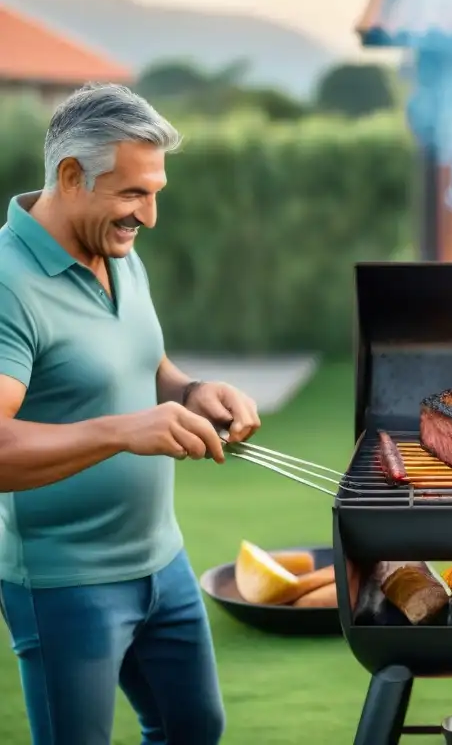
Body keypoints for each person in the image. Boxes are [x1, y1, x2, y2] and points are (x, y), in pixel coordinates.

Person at [0, 84, 262, 745]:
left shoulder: (117, 249)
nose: (148, 217)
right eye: (132, 194)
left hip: (161, 562)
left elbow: (146, 365)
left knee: (192, 729)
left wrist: (192, 390)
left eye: (155, 194)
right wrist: (123, 431)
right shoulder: (7, 284)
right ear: (70, 176)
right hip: (68, 583)